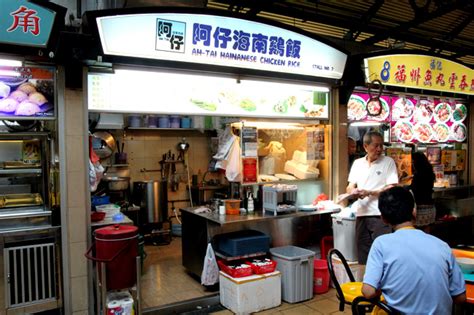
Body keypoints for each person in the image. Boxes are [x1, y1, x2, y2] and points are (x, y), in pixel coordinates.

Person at [362, 186, 466, 314]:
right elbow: (460, 298)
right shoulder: (442, 246)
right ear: (414, 212)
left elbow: (368, 291)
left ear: (383, 218)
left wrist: (381, 289)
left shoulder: (381, 244)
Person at [346, 130, 398, 264]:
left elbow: (391, 187)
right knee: (363, 253)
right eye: (376, 146)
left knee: (383, 253)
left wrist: (369, 192)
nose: (379, 149)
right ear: (365, 147)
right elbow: (350, 186)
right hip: (361, 213)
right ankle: (366, 282)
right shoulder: (358, 163)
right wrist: (353, 191)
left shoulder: (388, 162)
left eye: (381, 145)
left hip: (380, 214)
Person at [409, 151, 436, 227]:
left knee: (417, 233)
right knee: (427, 233)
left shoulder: (418, 176)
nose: (412, 164)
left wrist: (403, 187)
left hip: (420, 209)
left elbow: (414, 188)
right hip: (430, 207)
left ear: (417, 162)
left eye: (413, 161)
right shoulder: (430, 173)